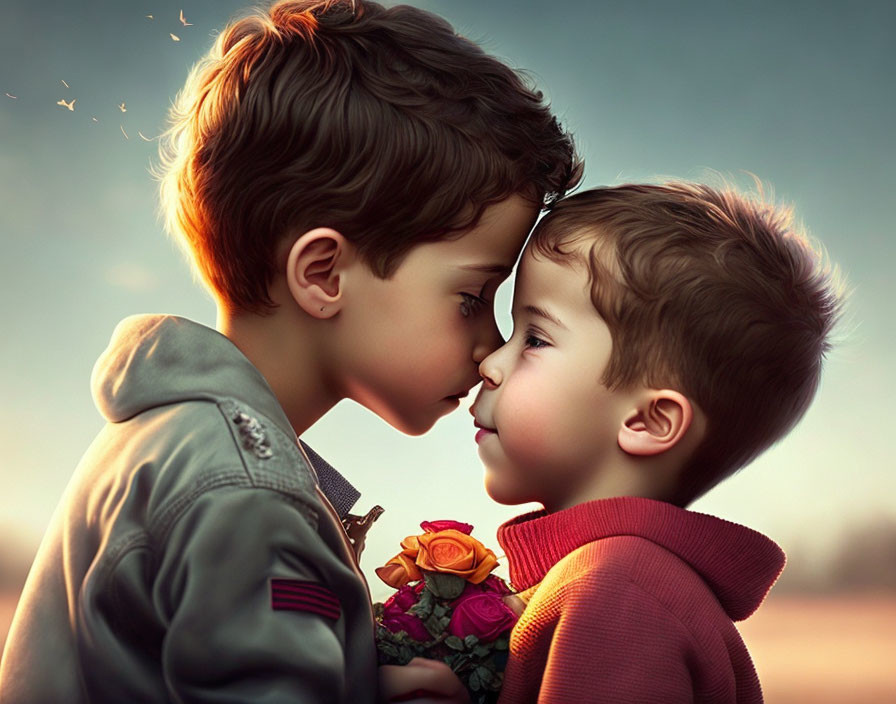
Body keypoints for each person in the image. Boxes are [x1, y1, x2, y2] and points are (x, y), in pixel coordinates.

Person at [0, 1, 580, 701]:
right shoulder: (247, 495)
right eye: (471, 297)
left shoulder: (170, 439)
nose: (491, 349)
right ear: (323, 274)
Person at [471, 182, 842, 703]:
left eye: (534, 338)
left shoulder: (617, 593)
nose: (489, 363)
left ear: (648, 421)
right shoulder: (627, 581)